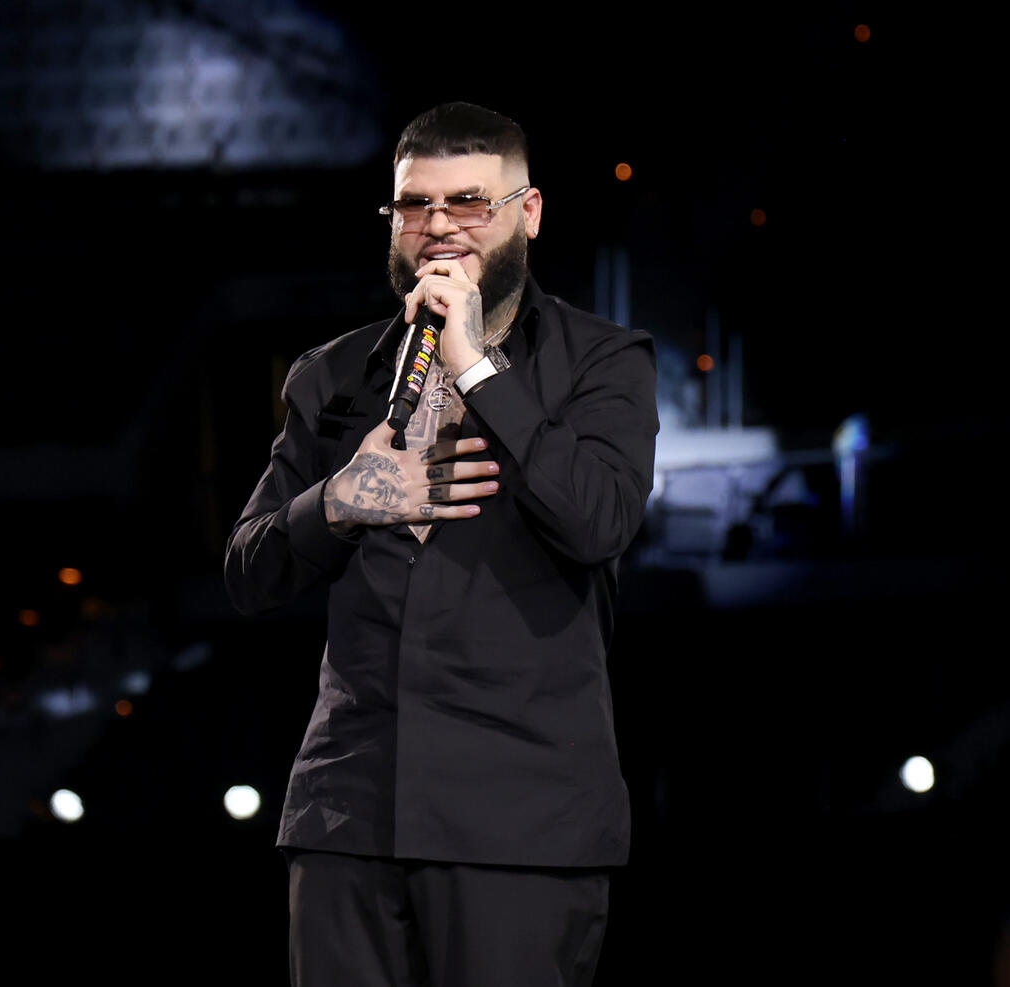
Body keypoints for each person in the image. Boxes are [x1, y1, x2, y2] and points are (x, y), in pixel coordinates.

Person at [224, 102, 658, 987]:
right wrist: (338, 503)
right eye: (414, 206)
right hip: (349, 814)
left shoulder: (603, 363)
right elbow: (249, 569)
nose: (437, 229)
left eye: (468, 202)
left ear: (525, 214)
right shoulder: (333, 374)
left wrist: (475, 369)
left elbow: (598, 520)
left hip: (520, 821)